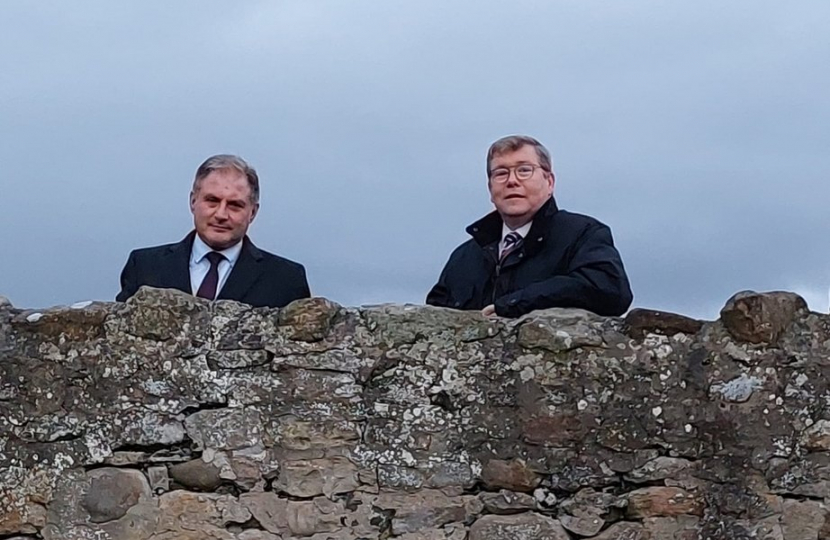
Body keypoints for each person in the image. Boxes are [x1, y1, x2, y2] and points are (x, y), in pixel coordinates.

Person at [426, 135, 632, 318]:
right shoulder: (464, 257)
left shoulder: (583, 234)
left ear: (549, 182)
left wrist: (517, 303)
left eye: (524, 170)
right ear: (490, 189)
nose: (512, 181)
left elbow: (611, 292)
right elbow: (432, 319)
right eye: (500, 173)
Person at [116, 154, 310, 308]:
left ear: (253, 212)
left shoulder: (286, 280)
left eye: (235, 205)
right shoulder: (144, 267)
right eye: (212, 201)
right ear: (193, 201)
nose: (221, 214)